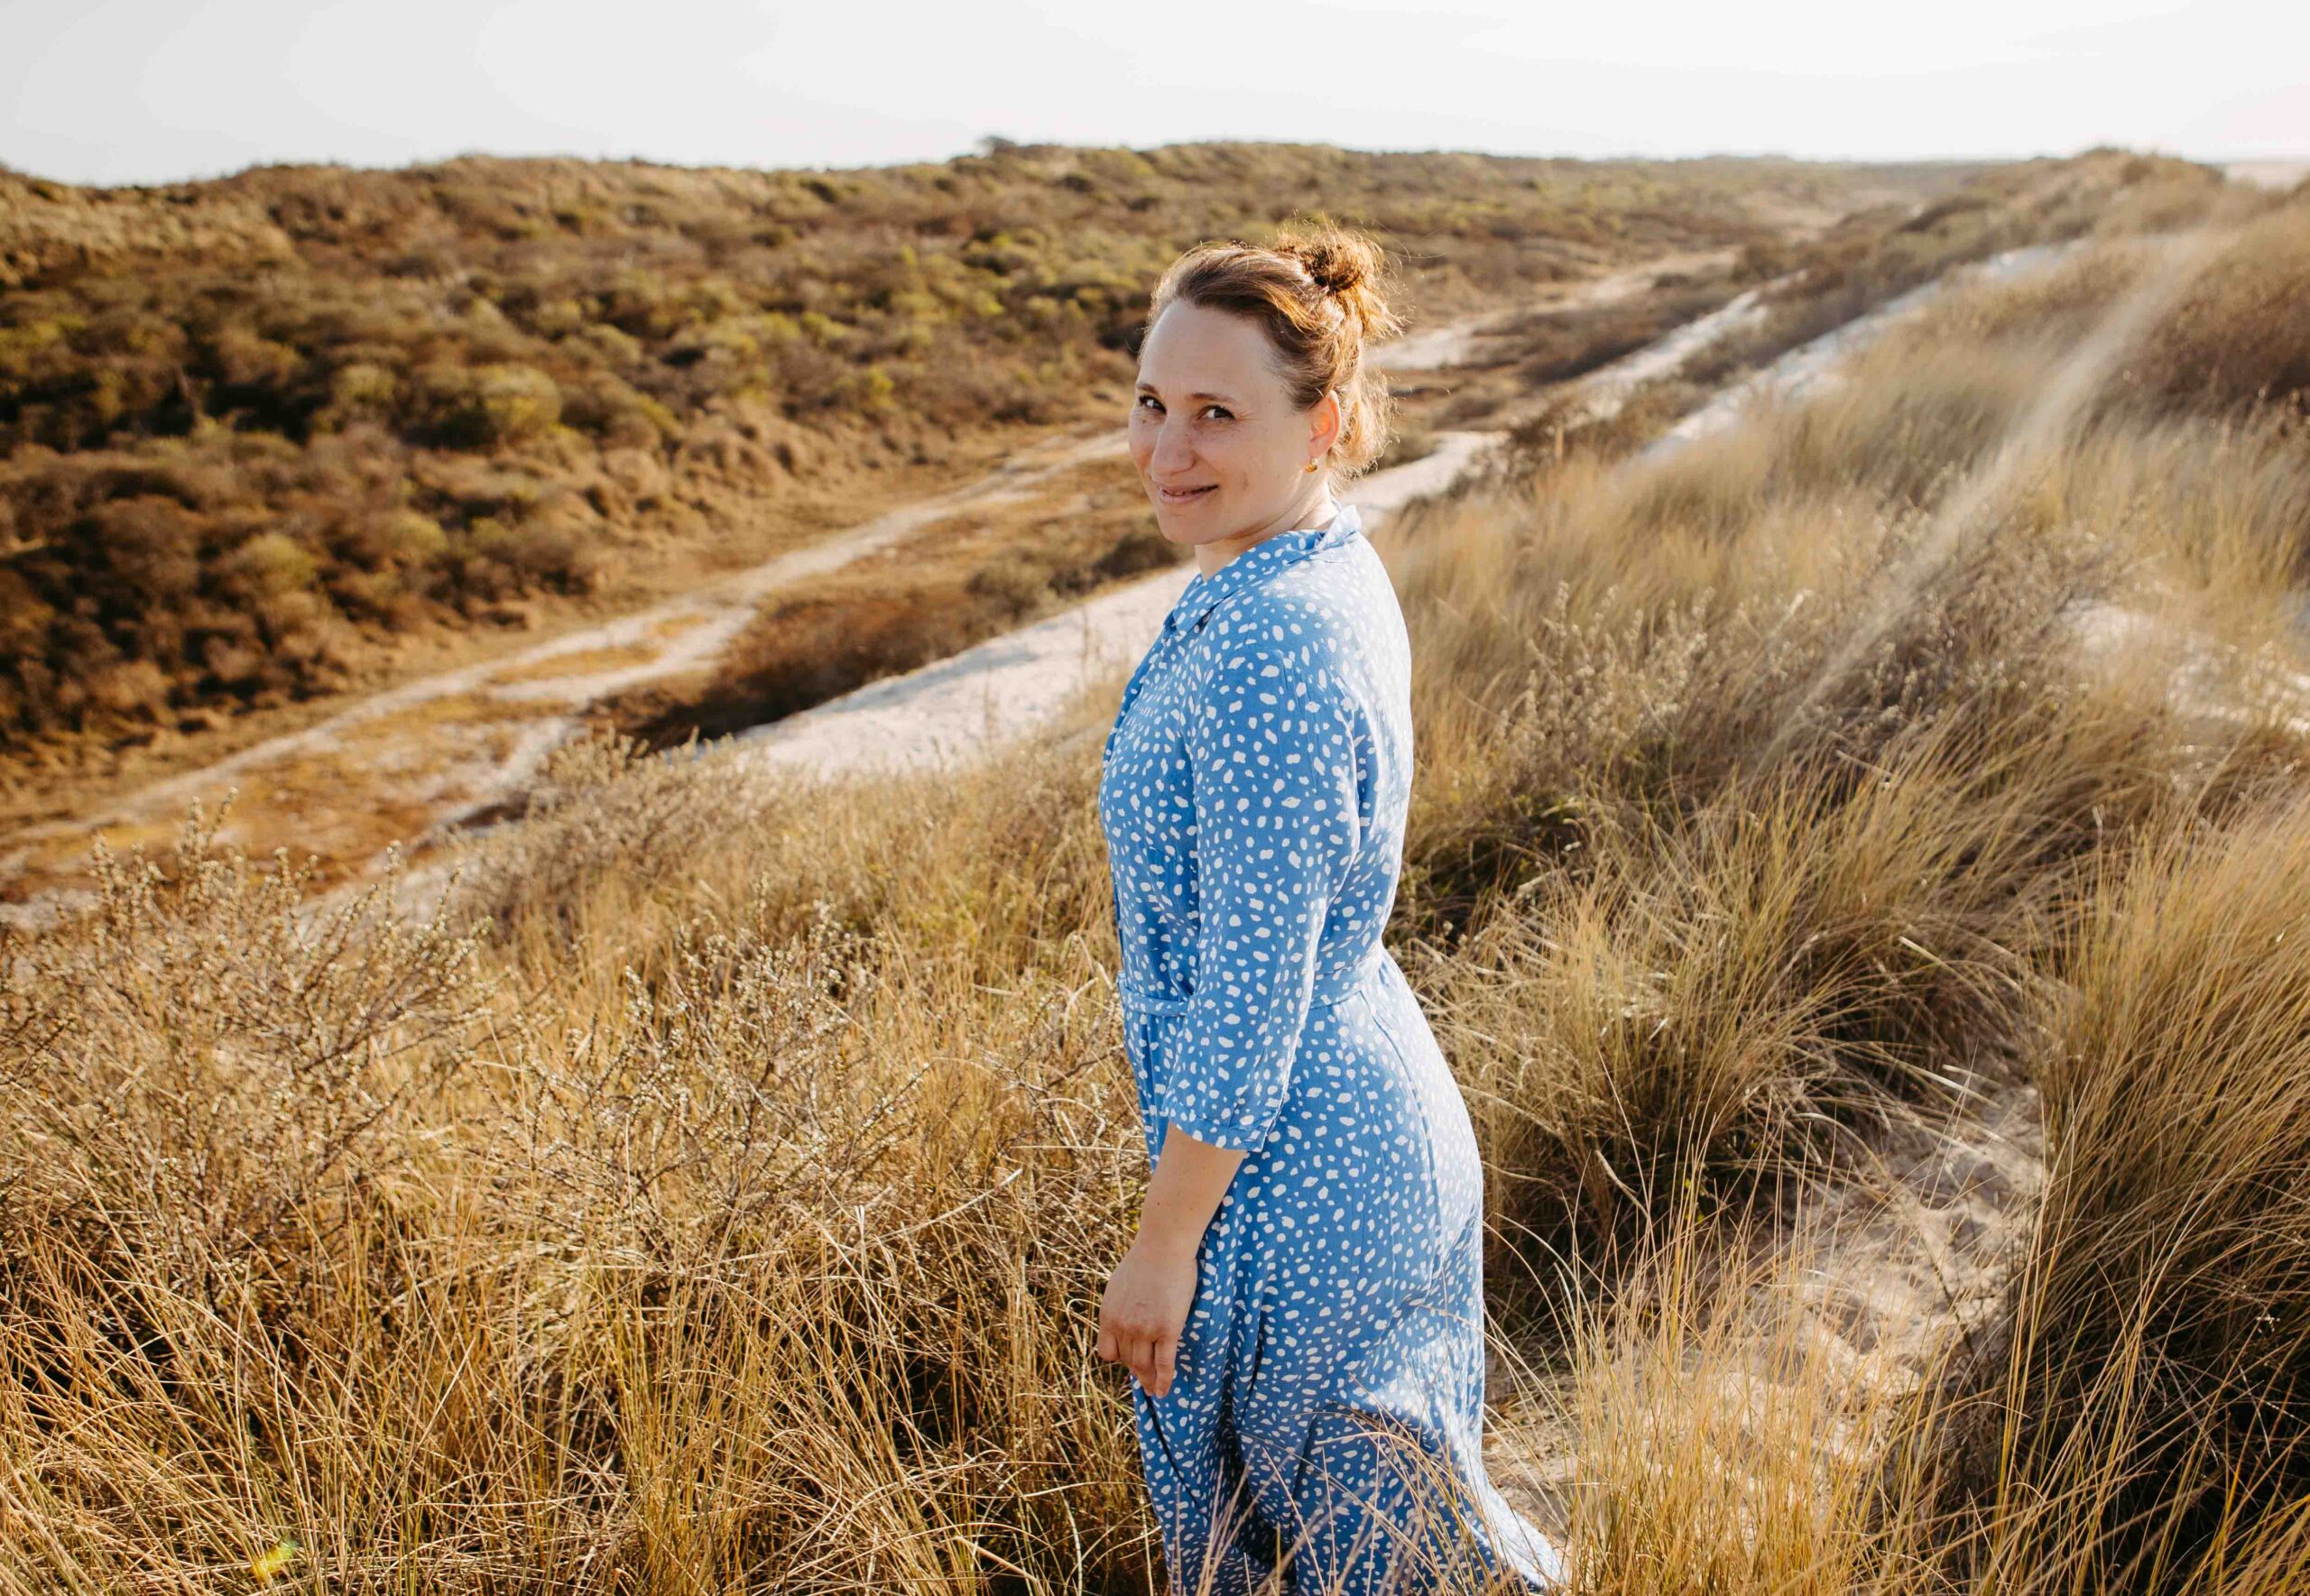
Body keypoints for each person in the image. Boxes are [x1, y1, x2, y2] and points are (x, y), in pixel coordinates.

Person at [1093, 221, 1568, 1595]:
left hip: (1309, 1182)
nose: (1165, 448)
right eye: (1152, 402)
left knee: (1368, 1553)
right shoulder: (1295, 564)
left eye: (1216, 413)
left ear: (1327, 425)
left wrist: (1164, 1240)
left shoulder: (1276, 644)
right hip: (1310, 1140)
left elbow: (1252, 985)